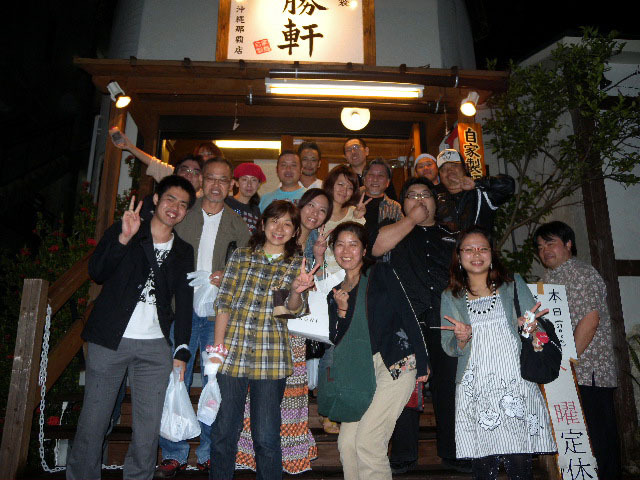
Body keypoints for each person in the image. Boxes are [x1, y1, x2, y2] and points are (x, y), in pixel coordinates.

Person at [66, 176, 196, 480]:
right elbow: (97, 272)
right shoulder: (128, 229)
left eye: (182, 204)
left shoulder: (183, 250)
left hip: (155, 347)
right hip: (109, 339)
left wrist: (182, 349)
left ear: (186, 212)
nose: (175, 207)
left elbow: (185, 302)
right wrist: (123, 238)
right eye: (170, 199)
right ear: (156, 199)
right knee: (94, 420)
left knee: (148, 428)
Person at [209, 200, 318, 480]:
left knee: (266, 436)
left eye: (287, 224)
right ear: (263, 224)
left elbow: (287, 311)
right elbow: (224, 302)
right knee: (224, 430)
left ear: (295, 231)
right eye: (274, 221)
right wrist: (218, 348)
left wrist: (297, 291)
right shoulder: (242, 256)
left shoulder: (295, 264)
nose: (279, 228)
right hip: (232, 353)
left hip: (271, 359)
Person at [156, 157, 251, 477]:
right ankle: (174, 452)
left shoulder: (238, 225)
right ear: (201, 181)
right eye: (211, 178)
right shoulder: (184, 214)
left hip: (217, 317)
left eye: (223, 180)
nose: (216, 185)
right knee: (176, 379)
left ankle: (209, 452)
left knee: (215, 383)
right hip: (180, 312)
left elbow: (246, 269)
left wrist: (228, 276)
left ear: (231, 185)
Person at [440, 225, 556, 479]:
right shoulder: (451, 296)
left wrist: (530, 328)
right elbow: (449, 346)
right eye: (469, 249)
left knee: (519, 460)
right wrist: (462, 339)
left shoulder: (512, 285)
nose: (476, 254)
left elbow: (536, 329)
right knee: (484, 462)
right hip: (475, 386)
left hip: (515, 382)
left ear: (492, 253)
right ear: (459, 256)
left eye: (482, 248)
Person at [235, 189, 331, 474]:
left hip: (293, 331)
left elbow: (316, 287)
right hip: (265, 330)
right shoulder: (274, 239)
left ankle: (287, 456)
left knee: (289, 397)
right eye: (311, 205)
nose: (315, 212)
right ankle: (253, 455)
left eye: (322, 210)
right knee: (257, 399)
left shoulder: (316, 242)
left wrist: (319, 257)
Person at [324, 221, 429, 480]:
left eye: (353, 244)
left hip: (395, 361)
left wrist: (423, 360)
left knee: (369, 441)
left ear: (364, 250)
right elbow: (337, 338)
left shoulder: (381, 273)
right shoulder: (334, 293)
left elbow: (406, 312)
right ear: (333, 250)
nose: (346, 250)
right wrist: (342, 310)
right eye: (340, 245)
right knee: (347, 444)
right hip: (360, 370)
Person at [372, 177, 461, 473]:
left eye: (426, 194)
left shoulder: (451, 235)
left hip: (445, 321)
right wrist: (410, 219)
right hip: (405, 323)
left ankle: (454, 452)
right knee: (404, 387)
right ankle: (403, 455)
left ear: (436, 201)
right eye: (413, 195)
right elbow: (375, 248)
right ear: (403, 203)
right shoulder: (395, 229)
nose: (420, 199)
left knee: (449, 389)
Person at [534, 221, 620, 479]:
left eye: (551, 243)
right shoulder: (548, 280)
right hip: (565, 373)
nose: (545, 250)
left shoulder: (581, 273)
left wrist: (566, 362)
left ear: (568, 244)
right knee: (576, 439)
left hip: (588, 370)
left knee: (598, 439)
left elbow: (590, 320)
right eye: (540, 246)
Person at [109, 127, 214, 196]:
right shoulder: (175, 176)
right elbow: (154, 163)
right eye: (201, 154)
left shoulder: (213, 188)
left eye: (209, 154)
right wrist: (130, 147)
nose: (189, 175)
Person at [435, 148, 515, 233]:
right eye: (443, 169)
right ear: (440, 177)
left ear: (466, 167)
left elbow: (508, 185)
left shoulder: (481, 194)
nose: (449, 171)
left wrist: (476, 183)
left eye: (454, 165)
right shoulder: (436, 202)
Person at [318, 165, 366, 278]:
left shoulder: (355, 213)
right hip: (322, 277)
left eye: (350, 187)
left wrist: (358, 219)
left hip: (349, 277)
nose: (344, 190)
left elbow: (361, 248)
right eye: (340, 184)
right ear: (330, 184)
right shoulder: (317, 214)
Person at [360, 158, 403, 255]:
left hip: (384, 259)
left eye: (381, 175)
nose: (375, 179)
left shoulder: (395, 207)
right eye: (371, 175)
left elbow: (402, 235)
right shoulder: (352, 202)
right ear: (364, 179)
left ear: (388, 182)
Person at [225, 162, 266, 234]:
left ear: (258, 185)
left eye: (254, 180)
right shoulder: (226, 203)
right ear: (236, 183)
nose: (249, 184)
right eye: (244, 179)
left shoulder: (256, 211)